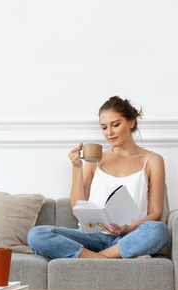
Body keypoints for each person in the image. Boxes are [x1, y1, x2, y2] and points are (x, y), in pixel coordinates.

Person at [27, 96, 169, 259]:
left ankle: (92, 259)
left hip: (128, 237)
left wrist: (126, 228)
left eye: (115, 125)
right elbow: (76, 208)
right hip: (90, 237)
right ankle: (112, 259)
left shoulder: (153, 160)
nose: (109, 132)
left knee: (158, 230)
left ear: (131, 122)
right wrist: (77, 168)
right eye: (104, 127)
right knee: (37, 234)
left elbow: (155, 212)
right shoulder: (96, 159)